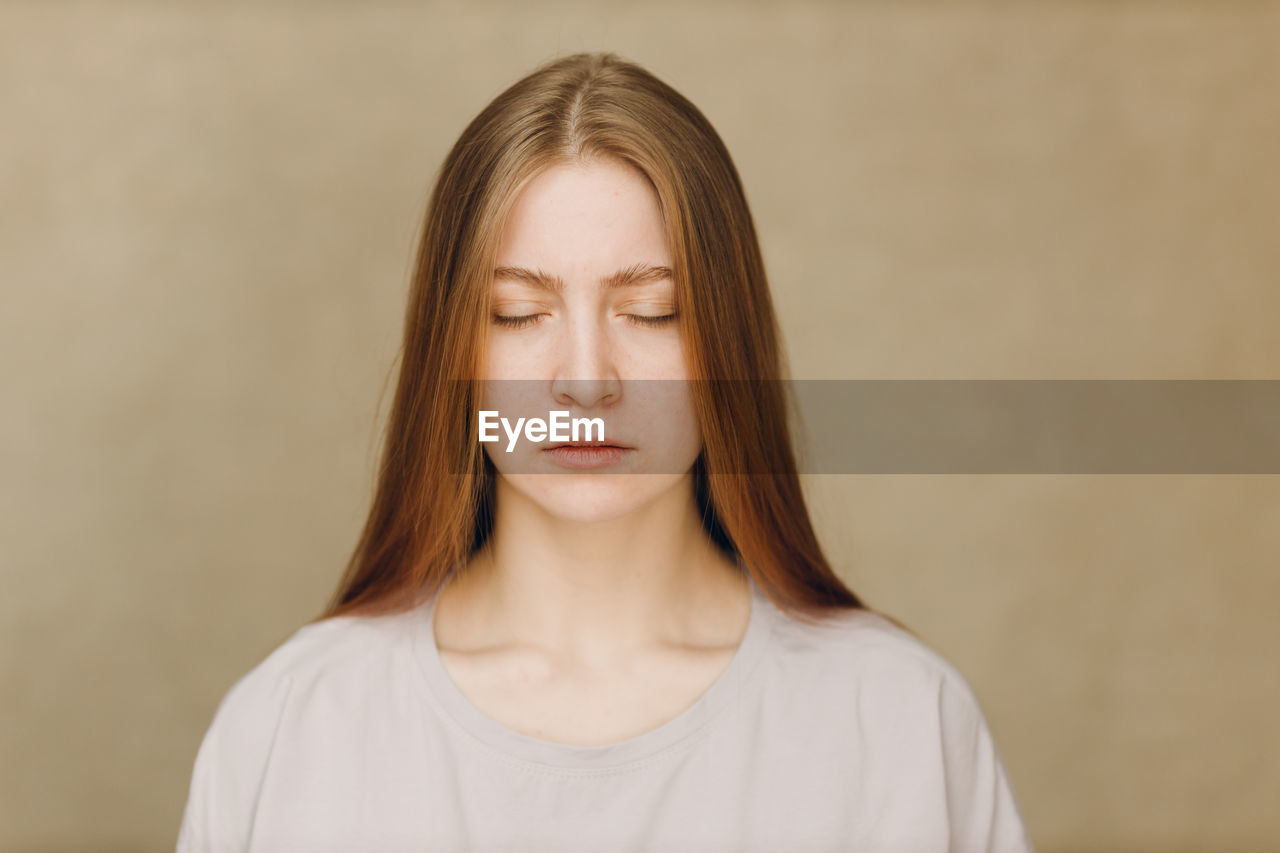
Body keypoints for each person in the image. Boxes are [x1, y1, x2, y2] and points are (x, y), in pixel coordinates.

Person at [176, 51, 1034, 852]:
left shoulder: (899, 721)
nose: (585, 382)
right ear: (454, 354)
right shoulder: (293, 725)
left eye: (651, 311)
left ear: (724, 344)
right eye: (518, 312)